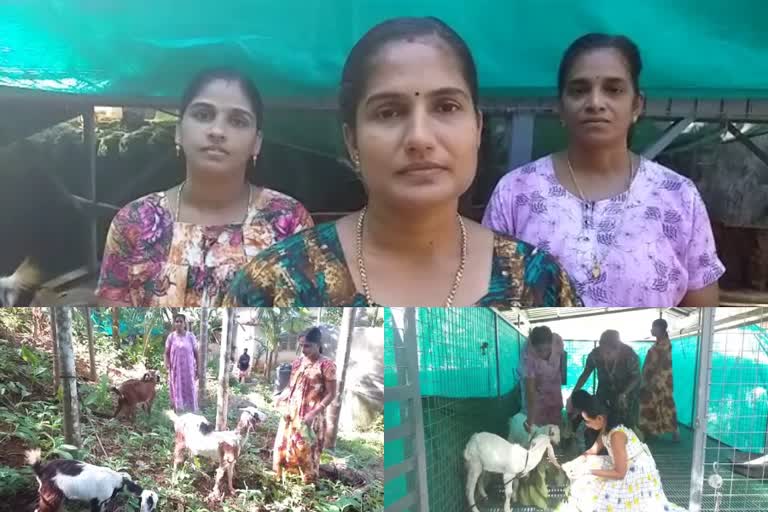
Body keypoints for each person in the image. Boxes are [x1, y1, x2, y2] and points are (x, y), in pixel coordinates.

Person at [223, 17, 581, 307]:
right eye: (389, 112)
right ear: (352, 141)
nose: (420, 137)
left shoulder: (539, 284)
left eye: (446, 107)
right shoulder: (276, 285)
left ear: (477, 126)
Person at [482, 33, 724, 306]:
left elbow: (701, 316)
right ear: (560, 107)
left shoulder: (679, 196)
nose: (595, 102)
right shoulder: (515, 192)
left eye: (614, 89)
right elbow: (493, 301)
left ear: (636, 105)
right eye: (579, 90)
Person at [96, 68, 314, 306]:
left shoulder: (289, 222)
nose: (217, 131)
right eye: (202, 115)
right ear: (178, 132)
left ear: (257, 143)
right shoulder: (133, 222)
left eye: (238, 121)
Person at [557, 393, 687, 511]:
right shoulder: (606, 427)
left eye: (587, 421)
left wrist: (587, 471)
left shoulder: (616, 436)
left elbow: (620, 473)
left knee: (594, 489)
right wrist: (573, 463)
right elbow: (592, 451)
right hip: (624, 466)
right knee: (589, 463)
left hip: (635, 473)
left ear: (600, 418)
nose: (586, 425)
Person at [273, 327, 337, 483]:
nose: (303, 349)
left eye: (307, 345)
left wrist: (314, 413)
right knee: (285, 445)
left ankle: (307, 485)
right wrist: (280, 397)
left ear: (318, 344)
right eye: (301, 345)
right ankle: (285, 480)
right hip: (292, 413)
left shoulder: (327, 365)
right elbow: (291, 387)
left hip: (311, 416)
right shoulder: (297, 363)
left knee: (307, 451)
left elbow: (331, 394)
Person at [573, 330, 641, 436]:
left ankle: (630, 441)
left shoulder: (629, 355)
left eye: (608, 353)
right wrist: (574, 393)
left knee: (626, 423)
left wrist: (624, 393)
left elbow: (636, 377)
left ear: (617, 349)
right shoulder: (595, 354)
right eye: (602, 352)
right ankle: (602, 442)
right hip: (604, 391)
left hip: (627, 393)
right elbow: (585, 373)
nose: (604, 356)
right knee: (601, 418)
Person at [639, 319, 681, 442]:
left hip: (660, 381)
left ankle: (674, 430)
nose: (652, 329)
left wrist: (651, 380)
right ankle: (653, 431)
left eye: (654, 327)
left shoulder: (665, 344)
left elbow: (660, 364)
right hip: (653, 379)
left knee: (665, 405)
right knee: (653, 404)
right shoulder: (658, 343)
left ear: (661, 329)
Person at [518, 326, 566, 430]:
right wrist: (530, 418)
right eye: (539, 351)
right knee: (537, 421)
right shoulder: (527, 353)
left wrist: (563, 375)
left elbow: (563, 356)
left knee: (556, 415)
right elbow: (530, 390)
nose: (544, 353)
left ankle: (555, 441)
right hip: (537, 388)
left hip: (554, 384)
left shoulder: (557, 341)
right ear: (533, 347)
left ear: (551, 343)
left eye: (547, 349)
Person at [164, 314, 198, 412]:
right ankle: (178, 409)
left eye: (180, 321)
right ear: (174, 324)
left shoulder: (191, 336)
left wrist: (198, 369)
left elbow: (196, 353)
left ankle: (191, 410)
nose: (178, 323)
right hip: (175, 370)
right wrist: (166, 363)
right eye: (176, 321)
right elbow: (166, 353)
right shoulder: (171, 337)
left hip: (189, 370)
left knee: (189, 388)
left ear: (184, 323)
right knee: (176, 388)